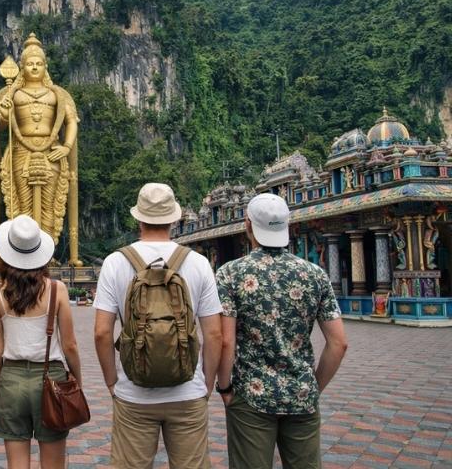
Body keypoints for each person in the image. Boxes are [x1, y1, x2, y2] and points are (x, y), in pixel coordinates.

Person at [94, 183, 222, 469]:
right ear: (174, 219)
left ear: (138, 218)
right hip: (188, 392)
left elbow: (102, 332)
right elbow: (215, 334)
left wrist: (113, 382)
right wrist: (206, 384)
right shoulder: (199, 263)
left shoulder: (115, 262)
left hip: (133, 394)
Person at [215, 193, 348, 469]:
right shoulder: (314, 274)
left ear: (247, 225)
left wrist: (225, 387)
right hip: (302, 395)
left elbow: (226, 341)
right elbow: (338, 343)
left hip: (251, 395)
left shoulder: (231, 274)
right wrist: (312, 387)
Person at [0, 215, 83, 469]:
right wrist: (77, 380)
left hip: (12, 378)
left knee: (17, 463)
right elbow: (70, 345)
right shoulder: (57, 289)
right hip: (51, 378)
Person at [0, 33, 81, 265]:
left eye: (39, 63)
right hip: (21, 150)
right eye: (30, 63)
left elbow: (71, 122)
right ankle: (23, 255)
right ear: (22, 66)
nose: (35, 67)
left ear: (45, 66)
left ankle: (46, 255)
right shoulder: (13, 94)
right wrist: (6, 112)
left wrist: (66, 146)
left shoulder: (57, 95)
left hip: (52, 152)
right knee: (24, 206)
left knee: (50, 205)